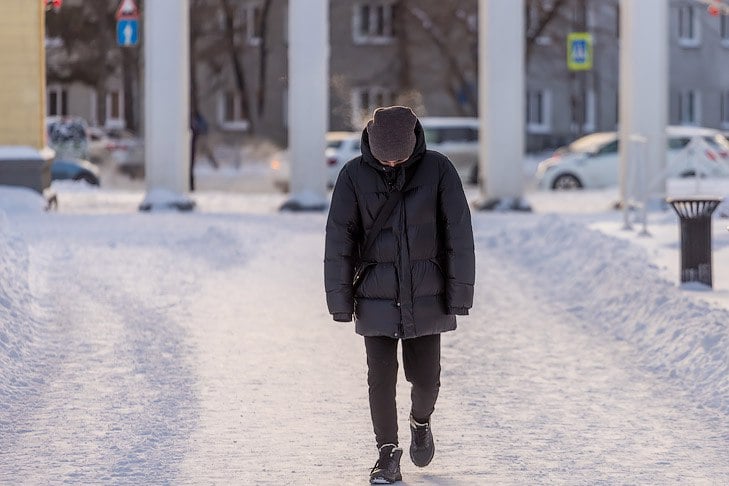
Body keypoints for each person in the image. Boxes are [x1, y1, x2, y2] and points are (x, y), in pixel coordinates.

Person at [324, 106, 475, 484]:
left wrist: (459, 295)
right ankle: (387, 454)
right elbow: (339, 240)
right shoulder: (352, 176)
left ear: (414, 144)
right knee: (381, 378)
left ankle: (420, 420)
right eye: (383, 155)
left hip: (427, 294)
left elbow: (459, 235)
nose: (391, 161)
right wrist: (339, 300)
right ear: (371, 146)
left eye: (399, 155)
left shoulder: (439, 171)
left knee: (426, 380)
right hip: (374, 294)